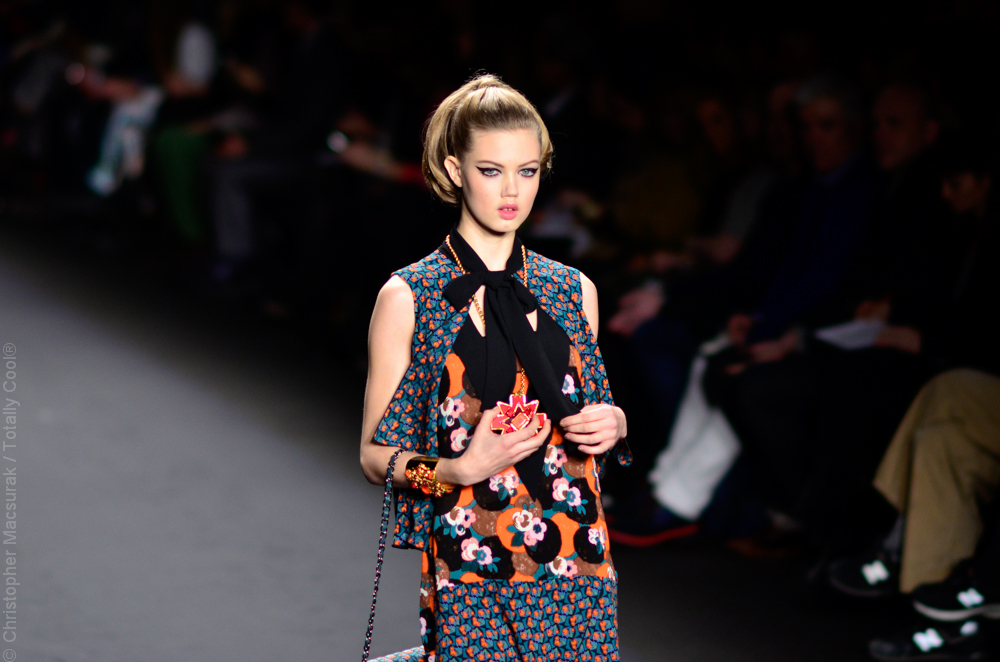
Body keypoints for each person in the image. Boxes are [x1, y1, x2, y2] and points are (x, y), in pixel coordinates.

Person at [359, 75, 631, 662]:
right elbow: (376, 458)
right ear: (455, 170)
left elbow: (592, 414)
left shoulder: (573, 290)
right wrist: (457, 470)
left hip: (580, 554)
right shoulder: (410, 297)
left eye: (527, 171)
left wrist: (614, 422)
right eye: (491, 170)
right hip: (470, 555)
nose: (512, 190)